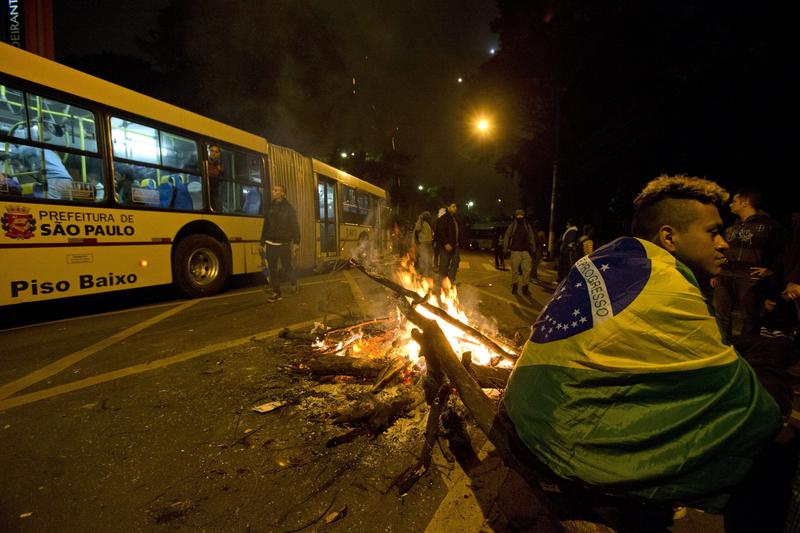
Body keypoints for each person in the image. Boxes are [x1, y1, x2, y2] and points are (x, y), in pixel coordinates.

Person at [504, 175, 783, 521]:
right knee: (769, 428)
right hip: (560, 442)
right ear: (669, 236)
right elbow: (743, 399)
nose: (724, 244)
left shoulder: (612, 255)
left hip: (524, 409)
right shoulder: (668, 285)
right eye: (713, 232)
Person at [713, 189, 784, 339]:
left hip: (748, 276)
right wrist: (716, 271)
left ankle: (748, 351)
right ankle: (723, 346)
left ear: (745, 203)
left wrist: (771, 269)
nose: (731, 204)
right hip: (725, 274)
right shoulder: (732, 226)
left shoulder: (768, 225)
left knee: (749, 317)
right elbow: (723, 250)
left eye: (735, 201)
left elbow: (783, 251)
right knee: (720, 314)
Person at [260, 184, 300, 302]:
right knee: (272, 269)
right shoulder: (270, 207)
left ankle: (294, 283)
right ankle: (277, 293)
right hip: (270, 243)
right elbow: (265, 225)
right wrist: (261, 242)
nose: (273, 192)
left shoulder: (289, 208)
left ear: (283, 193)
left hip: (284, 244)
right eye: (273, 190)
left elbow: (295, 226)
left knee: (287, 267)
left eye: (276, 190)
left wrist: (296, 242)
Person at [503, 209, 536, 295]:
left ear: (524, 216)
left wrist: (533, 250)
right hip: (515, 252)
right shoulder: (512, 226)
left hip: (526, 252)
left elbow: (532, 237)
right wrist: (505, 249)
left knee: (526, 271)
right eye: (518, 215)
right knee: (515, 271)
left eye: (521, 215)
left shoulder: (528, 226)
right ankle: (515, 287)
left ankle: (525, 288)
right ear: (516, 216)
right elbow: (506, 236)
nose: (520, 217)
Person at [434, 202, 460, 284]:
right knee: (444, 265)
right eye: (453, 206)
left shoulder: (453, 218)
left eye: (456, 206)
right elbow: (440, 232)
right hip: (446, 246)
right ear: (448, 207)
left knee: (456, 261)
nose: (455, 208)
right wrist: (446, 243)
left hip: (454, 245)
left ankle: (450, 280)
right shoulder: (444, 218)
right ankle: (440, 284)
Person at [414, 211, 434, 277]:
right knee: (424, 259)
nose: (429, 217)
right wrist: (420, 219)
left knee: (429, 259)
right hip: (423, 243)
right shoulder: (420, 223)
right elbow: (417, 230)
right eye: (427, 216)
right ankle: (423, 274)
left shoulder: (427, 223)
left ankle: (428, 273)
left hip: (428, 243)